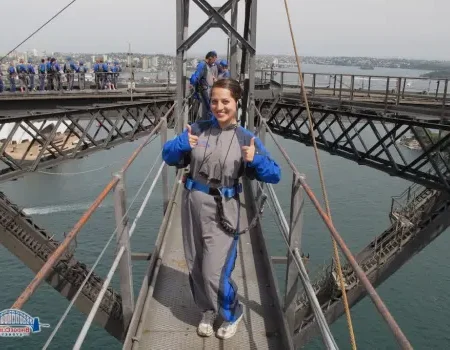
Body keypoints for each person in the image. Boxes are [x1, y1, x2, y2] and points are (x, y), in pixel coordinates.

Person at [162, 78, 281, 340]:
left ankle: (232, 312)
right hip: (192, 203)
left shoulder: (246, 138)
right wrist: (181, 144)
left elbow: (275, 174)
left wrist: (256, 160)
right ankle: (207, 308)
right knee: (195, 262)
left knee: (214, 269)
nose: (219, 106)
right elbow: (168, 155)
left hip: (224, 208)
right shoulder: (197, 129)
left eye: (225, 101)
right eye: (214, 101)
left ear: (237, 102)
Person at [189, 51, 218, 120]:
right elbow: (196, 77)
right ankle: (208, 125)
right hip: (205, 90)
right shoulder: (202, 65)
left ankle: (209, 123)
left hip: (208, 90)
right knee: (208, 109)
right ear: (210, 58)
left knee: (209, 109)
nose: (214, 62)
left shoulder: (207, 65)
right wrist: (194, 89)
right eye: (214, 60)